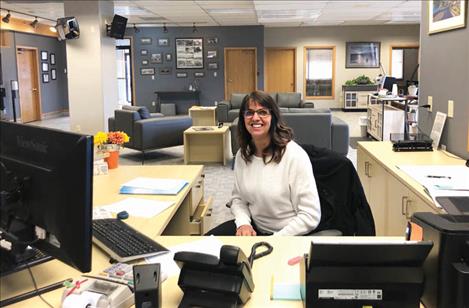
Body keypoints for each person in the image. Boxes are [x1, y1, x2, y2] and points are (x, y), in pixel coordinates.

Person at [207, 91, 321, 236]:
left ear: (273, 117)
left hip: (290, 235)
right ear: (243, 118)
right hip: (254, 230)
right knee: (203, 249)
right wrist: (243, 224)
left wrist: (275, 239)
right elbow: (238, 199)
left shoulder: (294, 156)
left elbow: (310, 216)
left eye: (262, 112)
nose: (255, 118)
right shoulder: (243, 154)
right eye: (249, 113)